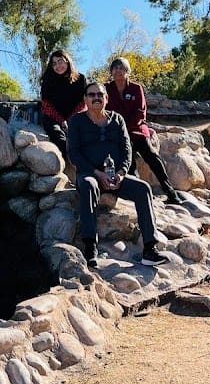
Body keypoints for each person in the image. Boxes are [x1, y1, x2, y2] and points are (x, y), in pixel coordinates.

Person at [67, 82, 168, 269]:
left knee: (143, 188)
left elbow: (126, 150)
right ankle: (90, 248)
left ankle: (149, 249)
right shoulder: (76, 122)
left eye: (100, 94)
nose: (96, 97)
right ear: (85, 99)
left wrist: (121, 173)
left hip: (116, 175)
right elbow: (74, 154)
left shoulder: (117, 119)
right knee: (88, 185)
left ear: (106, 98)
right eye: (91, 95)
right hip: (90, 174)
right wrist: (97, 173)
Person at [105, 56, 185, 205]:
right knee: (127, 161)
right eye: (115, 68)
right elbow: (105, 112)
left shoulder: (136, 88)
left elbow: (140, 113)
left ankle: (171, 193)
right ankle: (137, 195)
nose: (118, 71)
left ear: (127, 71)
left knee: (152, 157)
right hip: (118, 134)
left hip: (136, 130)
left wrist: (126, 129)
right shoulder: (107, 89)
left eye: (121, 68)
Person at [39, 48, 88, 159]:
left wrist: (71, 120)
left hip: (76, 116)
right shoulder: (47, 81)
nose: (58, 66)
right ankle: (68, 162)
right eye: (54, 64)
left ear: (67, 61)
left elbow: (83, 102)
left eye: (60, 61)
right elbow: (46, 106)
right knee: (58, 136)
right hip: (54, 118)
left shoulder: (80, 79)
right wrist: (62, 121)